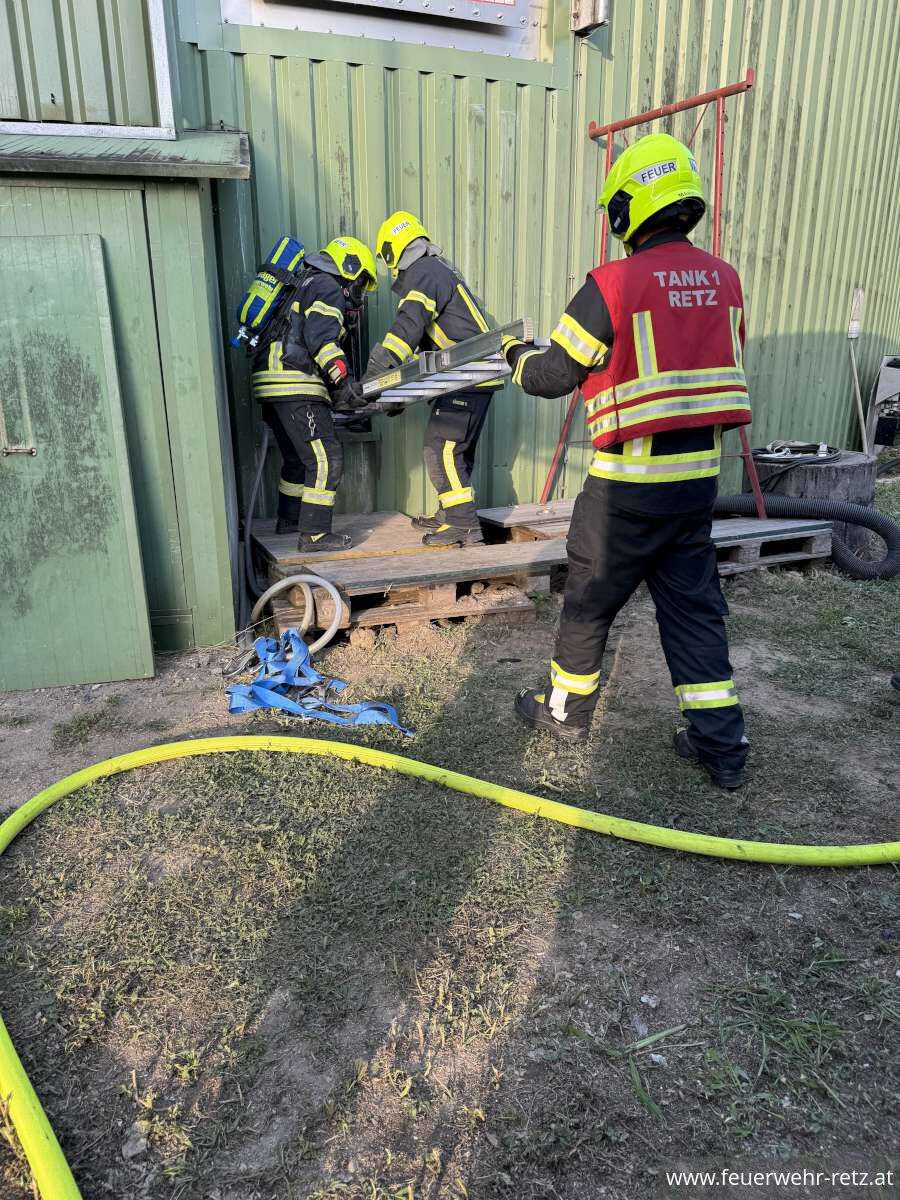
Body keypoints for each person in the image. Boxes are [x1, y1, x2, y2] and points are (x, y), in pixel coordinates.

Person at [503, 133, 753, 789]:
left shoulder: (612, 283)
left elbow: (555, 374)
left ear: (628, 206)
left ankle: (562, 717)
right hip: (695, 487)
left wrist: (514, 357)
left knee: (588, 605)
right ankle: (722, 747)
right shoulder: (724, 280)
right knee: (695, 614)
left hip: (624, 492)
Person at [363, 211, 501, 548]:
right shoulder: (437, 270)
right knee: (456, 450)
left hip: (468, 374)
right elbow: (427, 343)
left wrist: (375, 373)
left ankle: (463, 526)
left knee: (439, 449)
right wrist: (395, 393)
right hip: (470, 375)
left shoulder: (424, 272)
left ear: (392, 252)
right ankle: (449, 514)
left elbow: (408, 325)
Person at [252, 237, 376, 552]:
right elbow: (321, 340)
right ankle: (315, 534)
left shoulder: (302, 282)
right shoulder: (327, 287)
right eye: (360, 281)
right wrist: (344, 381)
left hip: (270, 384)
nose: (359, 293)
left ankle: (290, 519)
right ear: (348, 267)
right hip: (295, 385)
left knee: (298, 458)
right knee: (327, 459)